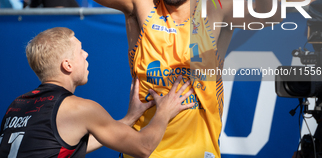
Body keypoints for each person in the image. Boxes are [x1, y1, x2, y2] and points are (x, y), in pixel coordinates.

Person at [65, 0, 281, 158]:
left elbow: (268, 19)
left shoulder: (216, 8)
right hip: (142, 149)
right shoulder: (142, 1)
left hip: (197, 150)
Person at [0, 27, 194, 157]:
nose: (86, 54)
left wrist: (129, 119)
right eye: (80, 51)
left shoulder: (17, 105)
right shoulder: (78, 109)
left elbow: (64, 146)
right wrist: (165, 111)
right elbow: (143, 148)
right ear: (67, 65)